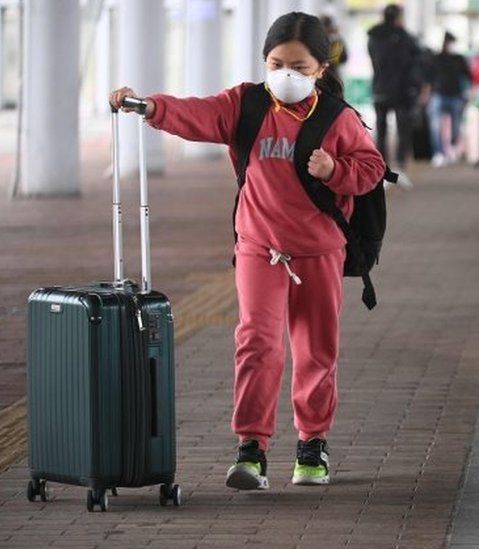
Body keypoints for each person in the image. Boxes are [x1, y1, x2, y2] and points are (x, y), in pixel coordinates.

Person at [110, 12, 386, 491]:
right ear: (264, 61)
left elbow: (371, 167)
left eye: (299, 67)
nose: (286, 74)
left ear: (321, 68)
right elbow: (196, 113)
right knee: (257, 343)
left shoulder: (338, 118)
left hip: (320, 250)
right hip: (260, 246)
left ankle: (312, 445)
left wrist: (333, 171)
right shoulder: (247, 105)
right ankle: (252, 448)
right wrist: (147, 105)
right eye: (276, 63)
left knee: (315, 350)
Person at [367, 4, 422, 170]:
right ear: (398, 17)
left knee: (381, 128)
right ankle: (400, 162)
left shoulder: (373, 36)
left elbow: (374, 58)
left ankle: (381, 162)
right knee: (402, 126)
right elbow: (415, 58)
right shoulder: (404, 36)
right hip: (401, 90)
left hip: (380, 88)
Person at [426, 32, 471, 167]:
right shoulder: (436, 58)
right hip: (438, 95)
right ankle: (438, 153)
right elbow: (428, 77)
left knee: (456, 126)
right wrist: (427, 94)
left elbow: (468, 76)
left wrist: (469, 91)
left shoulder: (459, 59)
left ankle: (451, 149)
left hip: (456, 96)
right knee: (436, 126)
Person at [320, 15, 348, 80]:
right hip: (330, 74)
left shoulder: (336, 41)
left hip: (331, 74)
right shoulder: (337, 40)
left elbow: (343, 58)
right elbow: (343, 58)